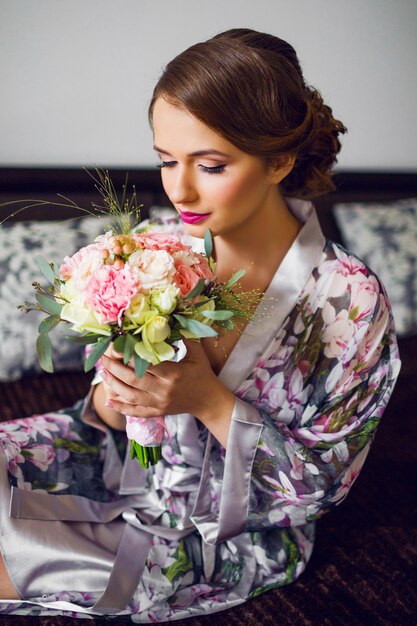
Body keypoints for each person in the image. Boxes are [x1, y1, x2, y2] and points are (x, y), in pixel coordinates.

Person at [0, 28, 401, 621]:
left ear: (279, 160)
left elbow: (318, 488)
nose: (180, 189)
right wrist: (123, 386)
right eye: (166, 160)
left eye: (210, 165)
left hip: (229, 528)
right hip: (118, 457)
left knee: (20, 562)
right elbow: (109, 418)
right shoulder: (164, 245)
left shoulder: (349, 301)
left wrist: (209, 400)